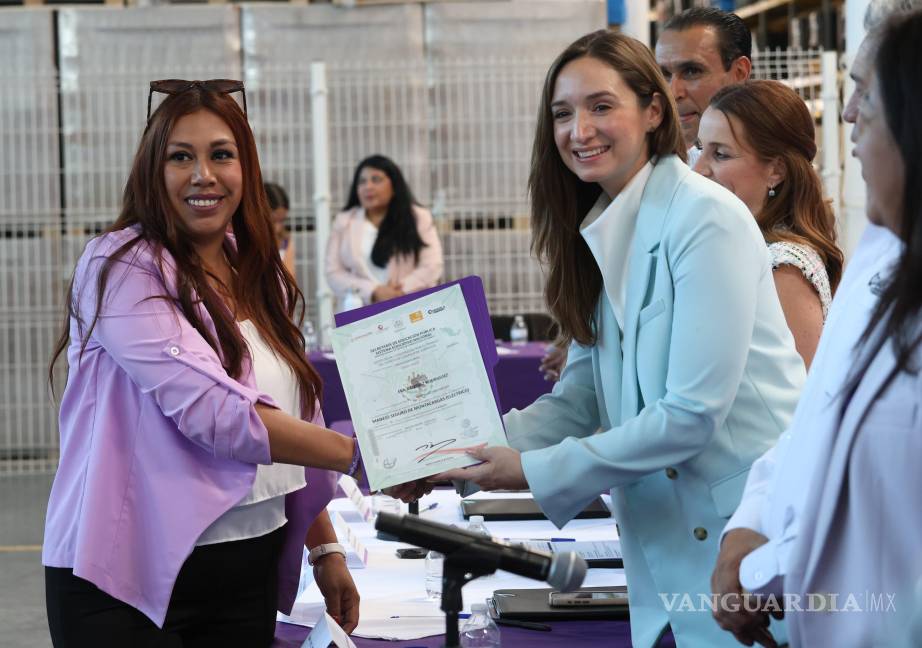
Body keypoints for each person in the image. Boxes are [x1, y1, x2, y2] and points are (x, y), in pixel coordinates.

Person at [401, 30, 806, 648]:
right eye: (562, 113)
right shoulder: (603, 224)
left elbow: (692, 415)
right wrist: (448, 455)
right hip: (666, 557)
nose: (579, 130)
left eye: (600, 106)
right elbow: (581, 396)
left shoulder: (705, 217)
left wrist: (531, 470)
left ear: (651, 111)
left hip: (742, 552)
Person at [42, 79, 364, 646]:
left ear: (247, 167)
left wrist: (323, 542)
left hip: (249, 567)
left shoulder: (260, 273)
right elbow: (217, 413)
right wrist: (364, 457)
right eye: (180, 157)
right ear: (152, 170)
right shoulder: (121, 268)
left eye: (221, 154)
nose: (203, 175)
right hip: (128, 577)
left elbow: (293, 417)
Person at [710, 3, 919, 646]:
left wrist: (764, 566)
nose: (849, 115)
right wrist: (750, 522)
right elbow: (814, 419)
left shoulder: (788, 261)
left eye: (866, 93)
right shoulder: (881, 252)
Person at [694, 80, 844, 368]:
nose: (698, 169)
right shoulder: (746, 244)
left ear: (776, 170)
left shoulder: (783, 268)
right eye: (700, 148)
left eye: (720, 154)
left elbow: (802, 396)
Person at [325, 154, 443, 308]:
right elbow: (333, 273)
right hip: (361, 311)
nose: (368, 186)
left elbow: (432, 265)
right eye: (362, 181)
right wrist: (374, 291)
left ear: (394, 185)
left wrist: (397, 294)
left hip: (411, 308)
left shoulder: (419, 217)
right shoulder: (344, 221)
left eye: (376, 179)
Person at [655, 7, 752, 167]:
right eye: (664, 74)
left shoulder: (774, 161)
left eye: (691, 71)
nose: (673, 92)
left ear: (739, 73)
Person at [264, 181, 295, 277]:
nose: (277, 228)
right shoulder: (240, 239)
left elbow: (291, 280)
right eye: (273, 221)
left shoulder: (284, 241)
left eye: (282, 221)